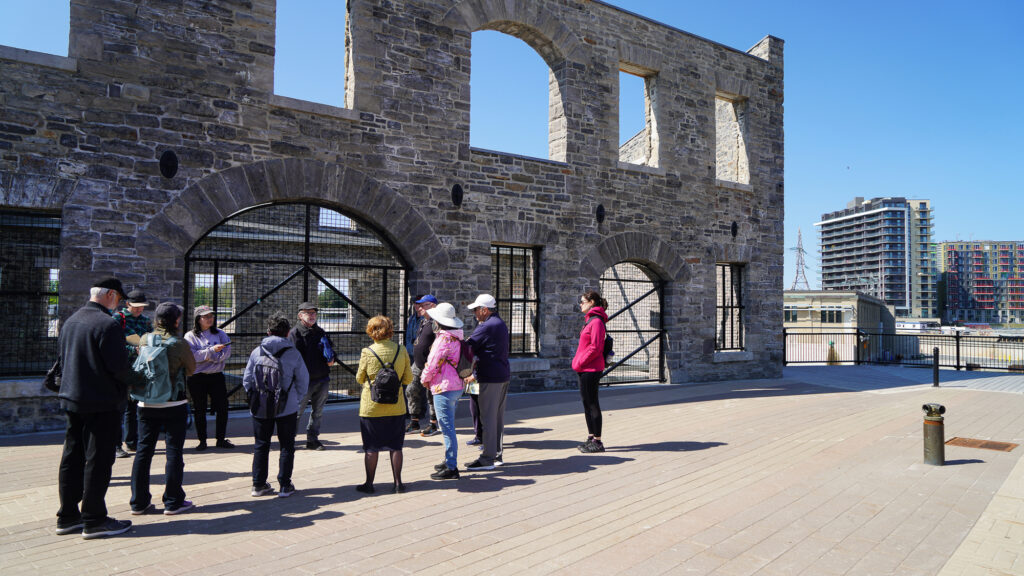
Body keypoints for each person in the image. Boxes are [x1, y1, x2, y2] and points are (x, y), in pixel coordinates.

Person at [55, 277, 135, 539]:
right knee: (98, 460)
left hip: (72, 398)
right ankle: (94, 518)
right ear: (110, 295)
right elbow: (119, 368)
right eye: (119, 298)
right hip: (101, 402)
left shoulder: (71, 320)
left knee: (72, 456)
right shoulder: (107, 324)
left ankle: (68, 515)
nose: (119, 303)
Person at [130, 302, 196, 515]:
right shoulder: (179, 343)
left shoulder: (144, 338)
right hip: (173, 402)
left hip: (146, 401)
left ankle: (139, 502)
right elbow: (191, 369)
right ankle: (172, 501)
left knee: (143, 451)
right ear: (176, 321)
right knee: (174, 452)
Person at [242, 312, 309, 498]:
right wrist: (296, 399)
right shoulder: (293, 353)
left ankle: (258, 484)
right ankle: (285, 485)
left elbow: (247, 380)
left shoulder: (257, 351)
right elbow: (303, 380)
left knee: (261, 445)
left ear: (268, 331)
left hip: (261, 405)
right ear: (288, 333)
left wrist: (255, 397)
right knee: (287, 445)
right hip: (286, 406)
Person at [354, 315, 413, 493]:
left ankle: (369, 484)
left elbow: (359, 378)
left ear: (371, 331)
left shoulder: (367, 351)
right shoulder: (401, 350)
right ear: (390, 331)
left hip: (371, 408)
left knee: (371, 448)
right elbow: (408, 378)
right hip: (396, 407)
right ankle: (398, 484)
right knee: (396, 446)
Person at [463, 294, 510, 471]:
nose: (475, 313)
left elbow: (469, 345)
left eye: (476, 309)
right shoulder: (498, 323)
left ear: (485, 309)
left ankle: (488, 458)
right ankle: (496, 454)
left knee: (488, 418)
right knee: (496, 418)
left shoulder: (488, 325)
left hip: (490, 377)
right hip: (500, 375)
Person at [421, 303, 466, 480]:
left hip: (443, 387)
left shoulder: (442, 340)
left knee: (447, 428)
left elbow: (432, 363)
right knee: (449, 426)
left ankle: (451, 467)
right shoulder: (457, 337)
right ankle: (449, 459)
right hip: (456, 386)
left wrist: (424, 379)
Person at [289, 301, 338, 450]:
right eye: (308, 313)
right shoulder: (294, 334)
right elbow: (292, 359)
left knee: (318, 412)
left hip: (322, 378)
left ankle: (312, 440)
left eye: (314, 313)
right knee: (297, 412)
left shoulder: (320, 331)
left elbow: (330, 350)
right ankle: (289, 440)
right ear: (300, 315)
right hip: (303, 381)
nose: (312, 316)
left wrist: (332, 358)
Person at [184, 305, 233, 451]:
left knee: (222, 408)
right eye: (206, 316)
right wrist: (211, 351)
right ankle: (202, 441)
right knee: (200, 409)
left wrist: (209, 357)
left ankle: (220, 439)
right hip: (197, 378)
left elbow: (226, 352)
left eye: (211, 316)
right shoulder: (190, 336)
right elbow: (192, 356)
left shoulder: (220, 333)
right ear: (199, 319)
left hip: (216, 376)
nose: (210, 319)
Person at [112, 289, 153, 458]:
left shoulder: (145, 321)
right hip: (122, 368)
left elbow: (151, 339)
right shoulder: (117, 319)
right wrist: (132, 349)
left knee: (134, 406)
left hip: (139, 368)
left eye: (142, 307)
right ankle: (115, 445)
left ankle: (132, 442)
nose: (139, 310)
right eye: (136, 307)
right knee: (118, 408)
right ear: (127, 304)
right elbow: (112, 344)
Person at [572, 290, 609, 453]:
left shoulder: (596, 322)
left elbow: (595, 347)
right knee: (586, 403)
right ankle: (591, 437)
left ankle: (598, 442)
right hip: (584, 368)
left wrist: (580, 362)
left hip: (591, 368)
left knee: (593, 403)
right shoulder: (589, 321)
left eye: (582, 301)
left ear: (592, 302)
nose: (580, 304)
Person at [409, 295, 440, 436]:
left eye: (424, 305)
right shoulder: (423, 321)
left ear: (433, 306)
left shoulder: (437, 323)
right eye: (419, 305)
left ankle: (433, 423)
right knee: (411, 389)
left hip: (430, 365)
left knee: (430, 394)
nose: (420, 308)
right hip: (418, 363)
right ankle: (414, 422)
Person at [403, 295, 425, 432]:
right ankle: (412, 411)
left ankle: (420, 411)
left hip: (420, 355)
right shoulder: (411, 318)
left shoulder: (426, 320)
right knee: (410, 383)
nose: (416, 306)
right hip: (410, 353)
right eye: (414, 303)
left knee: (419, 385)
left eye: (418, 303)